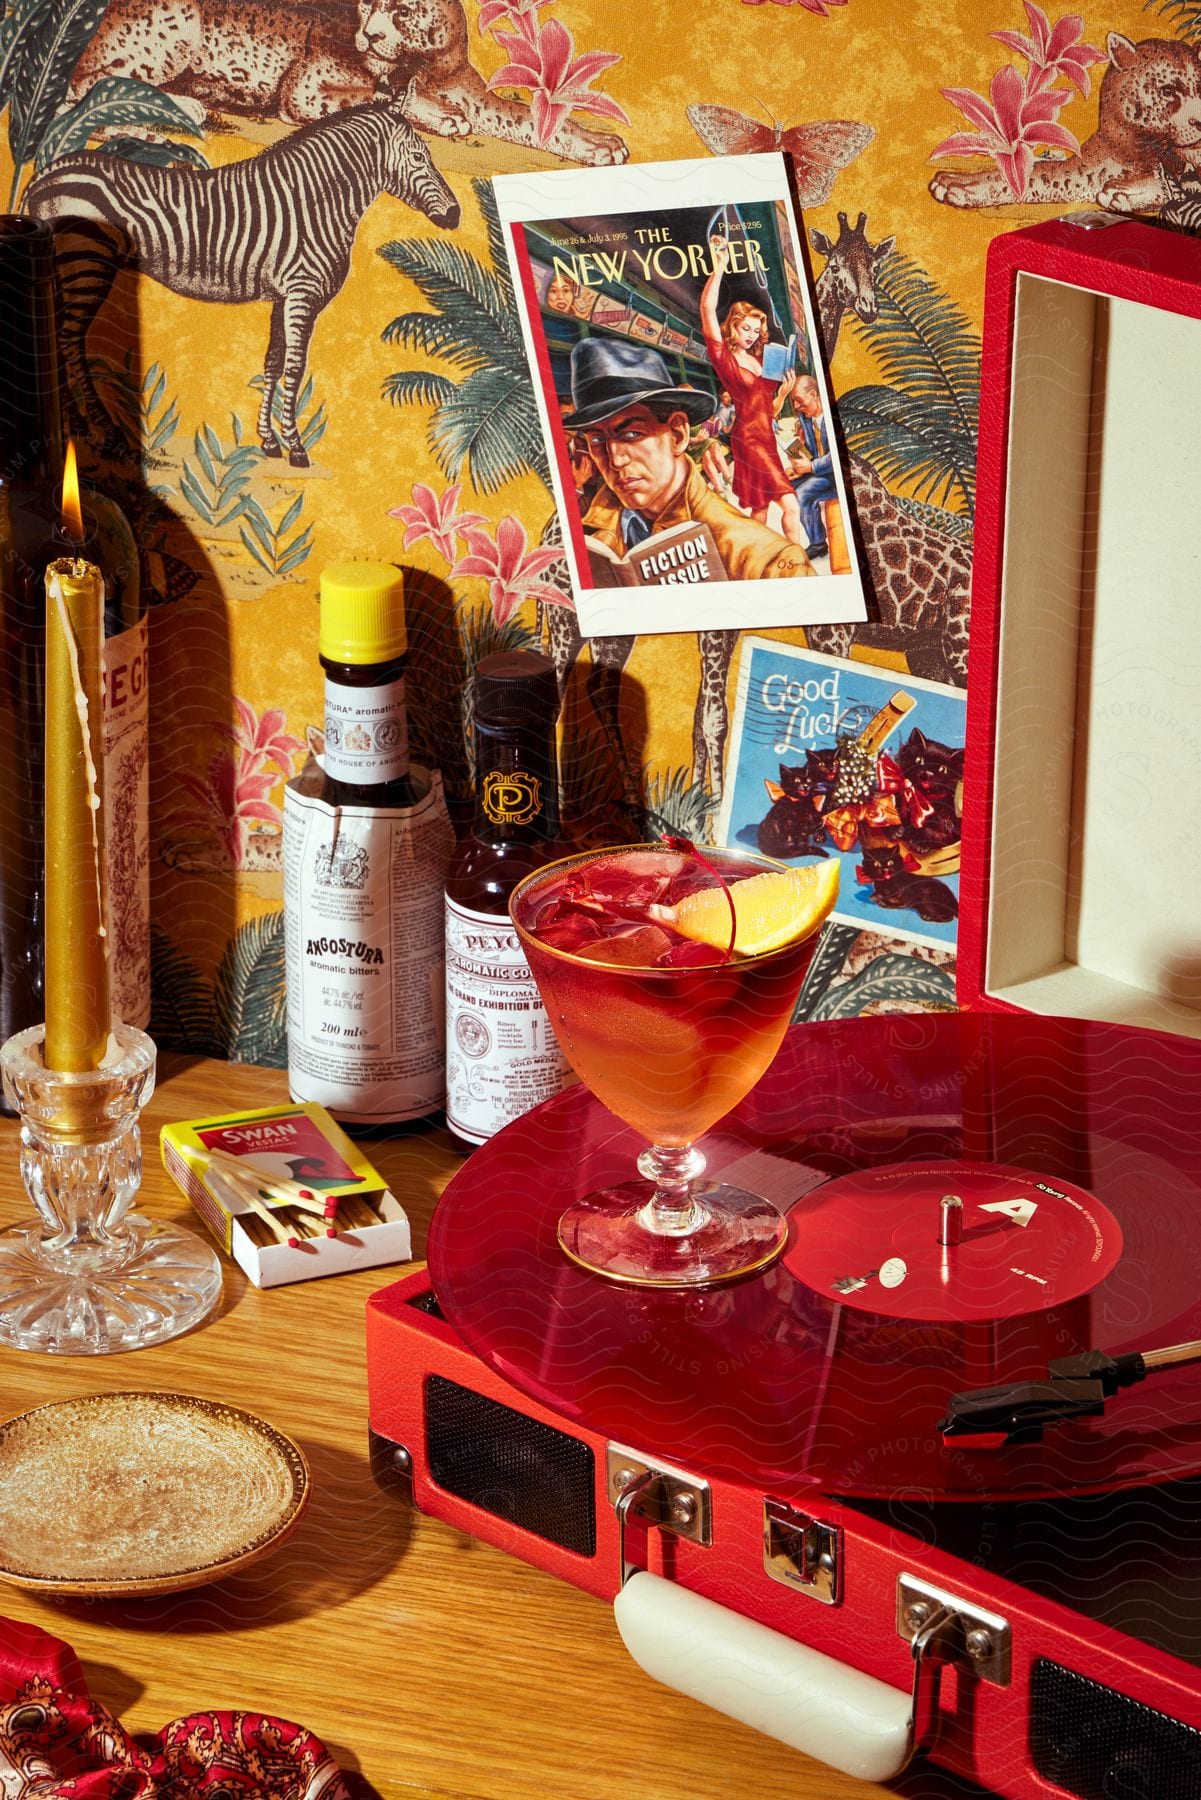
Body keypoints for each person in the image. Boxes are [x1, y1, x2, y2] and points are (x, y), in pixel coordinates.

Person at [560, 337, 813, 583]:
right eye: (597, 440)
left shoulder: (770, 564)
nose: (615, 460)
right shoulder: (577, 533)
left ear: (678, 434)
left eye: (631, 434)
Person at [699, 236, 805, 547]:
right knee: (790, 504)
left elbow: (767, 411)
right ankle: (796, 556)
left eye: (756, 331)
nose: (750, 335)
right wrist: (719, 266)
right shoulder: (726, 360)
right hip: (748, 440)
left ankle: (754, 555)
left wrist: (783, 394)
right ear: (732, 326)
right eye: (745, 329)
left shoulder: (762, 361)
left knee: (759, 508)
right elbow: (706, 309)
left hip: (766, 438)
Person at [784, 374, 838, 561]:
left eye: (799, 401)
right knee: (787, 487)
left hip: (837, 477)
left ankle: (818, 544)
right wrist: (798, 467)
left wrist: (811, 466)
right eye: (794, 402)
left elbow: (837, 455)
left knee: (803, 494)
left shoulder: (833, 415)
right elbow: (813, 450)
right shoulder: (806, 419)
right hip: (820, 471)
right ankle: (817, 541)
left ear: (813, 394)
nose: (797, 406)